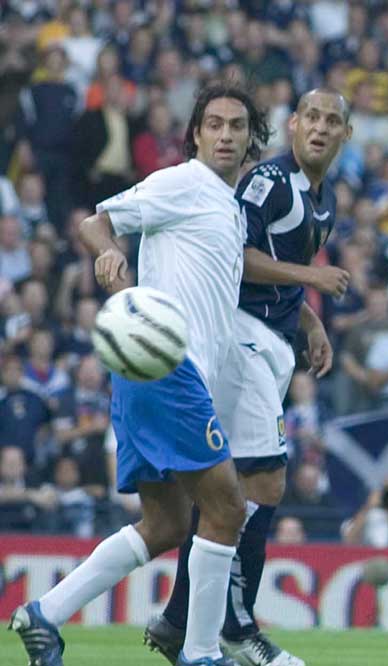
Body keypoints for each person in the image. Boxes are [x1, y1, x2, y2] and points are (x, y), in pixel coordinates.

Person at [9, 81, 271, 666]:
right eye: (215, 125)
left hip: (165, 372)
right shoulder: (183, 183)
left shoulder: (230, 210)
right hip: (163, 360)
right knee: (227, 507)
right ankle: (201, 653)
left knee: (168, 522)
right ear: (197, 135)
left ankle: (45, 615)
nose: (226, 135)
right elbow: (95, 221)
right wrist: (108, 250)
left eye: (237, 126)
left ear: (252, 137)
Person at [147, 89, 352, 666]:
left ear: (345, 136)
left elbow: (279, 278)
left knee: (231, 492)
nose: (319, 127)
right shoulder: (270, 182)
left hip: (271, 341)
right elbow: (234, 255)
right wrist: (308, 276)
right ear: (292, 126)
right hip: (241, 337)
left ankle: (180, 617)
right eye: (311, 117)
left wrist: (310, 320)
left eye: (332, 121)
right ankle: (236, 628)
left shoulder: (322, 197)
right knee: (260, 486)